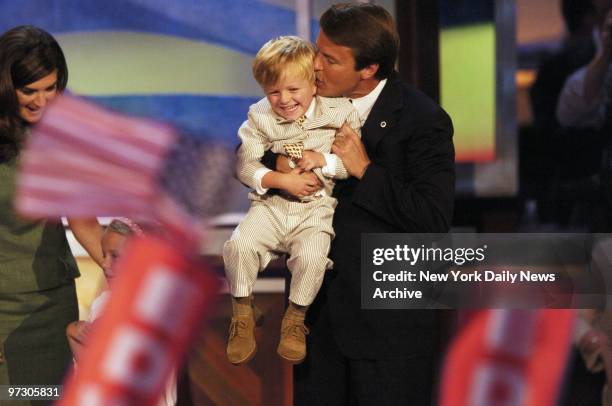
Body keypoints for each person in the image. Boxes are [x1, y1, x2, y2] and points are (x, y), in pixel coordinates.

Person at [261, 4, 454, 404]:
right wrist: (278, 164)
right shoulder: (300, 102)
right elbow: (254, 148)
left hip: (387, 333)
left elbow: (432, 219)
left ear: (368, 69)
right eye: (317, 51)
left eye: (330, 59)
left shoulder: (423, 121)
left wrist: (365, 169)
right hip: (314, 321)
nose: (314, 65)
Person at [223, 35, 361, 365]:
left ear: (313, 83)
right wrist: (281, 179)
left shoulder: (340, 113)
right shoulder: (259, 117)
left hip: (315, 210)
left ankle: (295, 320)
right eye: (273, 92)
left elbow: (351, 165)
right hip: (271, 206)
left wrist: (321, 160)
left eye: (292, 90)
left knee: (313, 256)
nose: (283, 100)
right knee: (240, 245)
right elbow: (245, 163)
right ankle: (242, 311)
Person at [0, 25, 103, 391]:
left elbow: (85, 223)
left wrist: (122, 264)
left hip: (52, 305)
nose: (42, 102)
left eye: (51, 89)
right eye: (29, 91)